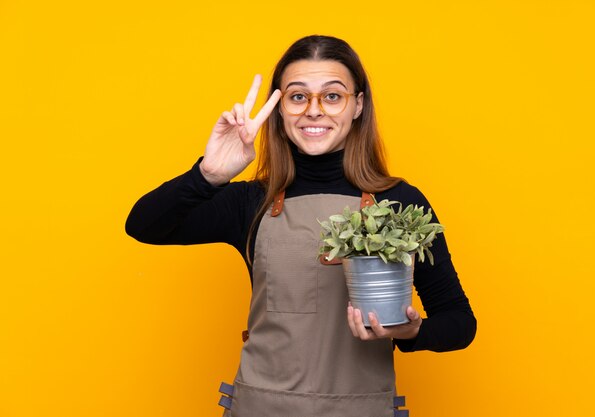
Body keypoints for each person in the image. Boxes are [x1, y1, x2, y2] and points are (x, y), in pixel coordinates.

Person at [126, 34, 476, 417]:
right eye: (297, 96)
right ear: (279, 109)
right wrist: (207, 174)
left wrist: (409, 333)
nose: (313, 110)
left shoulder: (400, 203)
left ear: (357, 105)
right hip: (260, 407)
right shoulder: (250, 202)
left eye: (332, 96)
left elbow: (459, 323)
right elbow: (144, 225)